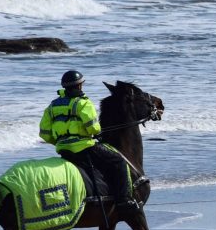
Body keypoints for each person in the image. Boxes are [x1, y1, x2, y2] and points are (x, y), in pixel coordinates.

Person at [39, 70, 140, 214]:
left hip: (63, 149)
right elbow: (92, 127)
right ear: (80, 86)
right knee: (118, 161)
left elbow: (44, 133)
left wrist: (59, 141)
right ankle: (124, 201)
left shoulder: (52, 106)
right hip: (83, 148)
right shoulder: (83, 103)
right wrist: (97, 132)